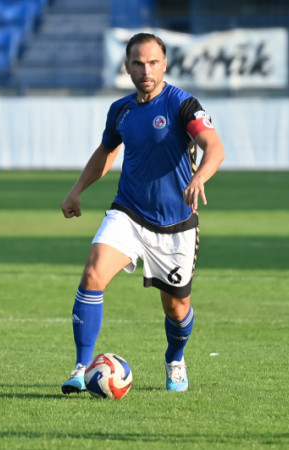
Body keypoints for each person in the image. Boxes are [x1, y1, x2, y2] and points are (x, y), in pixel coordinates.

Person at [60, 32, 225, 393]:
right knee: (92, 275)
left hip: (176, 224)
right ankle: (81, 366)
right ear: (127, 66)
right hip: (128, 214)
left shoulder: (183, 105)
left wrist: (199, 177)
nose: (146, 69)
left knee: (177, 310)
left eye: (153, 62)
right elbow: (106, 152)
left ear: (165, 64)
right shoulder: (121, 110)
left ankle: (176, 358)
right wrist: (76, 191)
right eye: (138, 63)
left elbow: (214, 147)